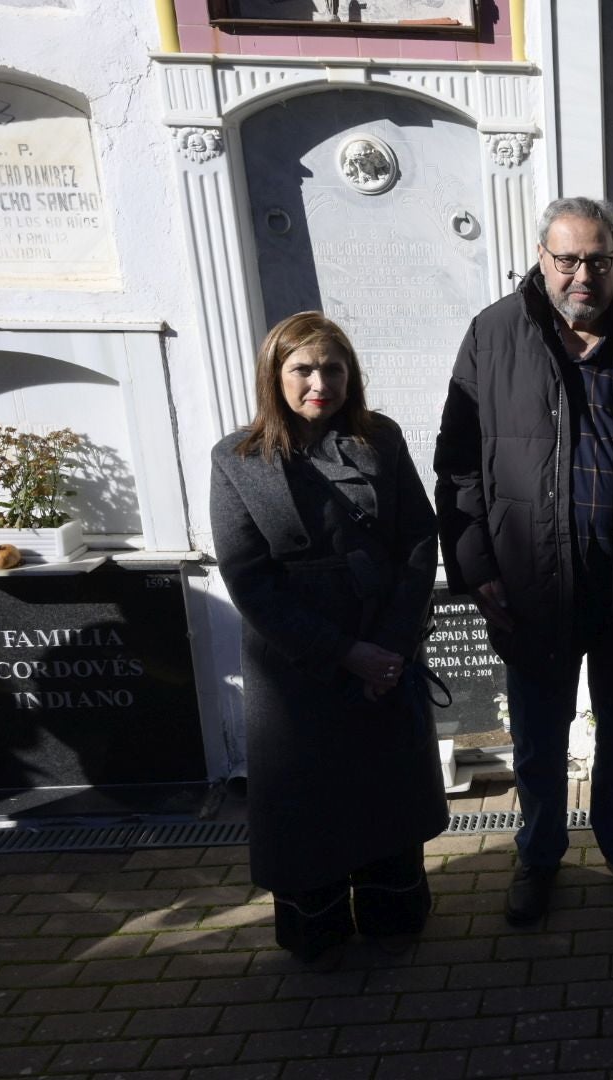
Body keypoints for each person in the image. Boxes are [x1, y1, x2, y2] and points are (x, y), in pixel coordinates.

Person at [434, 195, 613, 925]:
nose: (583, 275)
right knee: (537, 740)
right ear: (542, 259)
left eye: (598, 260)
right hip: (533, 584)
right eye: (567, 260)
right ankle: (538, 855)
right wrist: (476, 566)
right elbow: (459, 465)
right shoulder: (494, 335)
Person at [210, 311, 446, 962]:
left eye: (333, 369)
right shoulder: (236, 459)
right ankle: (317, 929)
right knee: (308, 803)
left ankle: (392, 913)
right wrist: (344, 653)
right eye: (304, 369)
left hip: (384, 642)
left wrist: (391, 646)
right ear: (274, 375)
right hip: (295, 664)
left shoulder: (381, 440)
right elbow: (248, 576)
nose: (321, 383)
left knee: (383, 791)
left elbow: (418, 540)